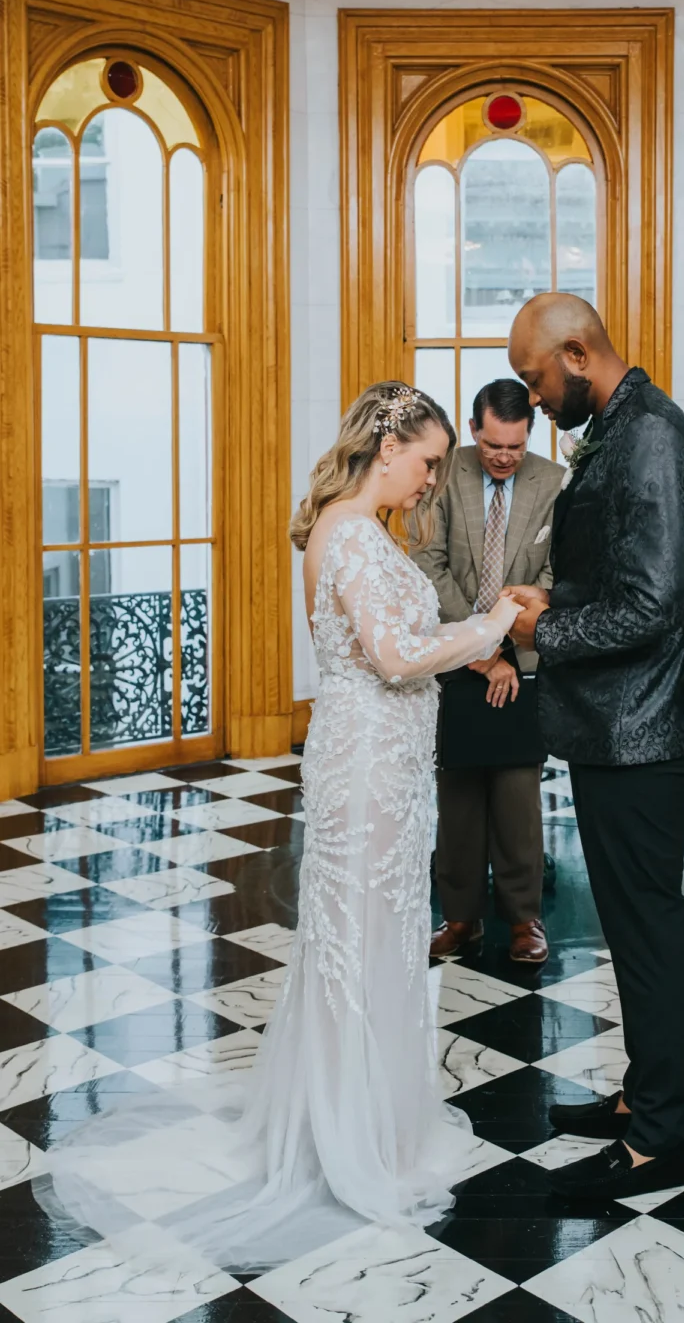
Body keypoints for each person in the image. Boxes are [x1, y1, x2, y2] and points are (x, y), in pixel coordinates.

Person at [35, 383, 522, 1272]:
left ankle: (365, 1117)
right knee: (361, 934)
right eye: (424, 463)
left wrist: (473, 636)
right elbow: (393, 656)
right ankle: (345, 1139)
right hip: (368, 763)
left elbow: (404, 644)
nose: (429, 481)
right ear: (389, 449)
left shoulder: (362, 533)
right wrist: (491, 622)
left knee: (377, 934)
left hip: (389, 760)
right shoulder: (348, 534)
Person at [505, 293, 684, 1203]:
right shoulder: (619, 428)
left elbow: (650, 606)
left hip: (643, 731)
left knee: (647, 931)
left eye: (536, 377)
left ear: (579, 353)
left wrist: (544, 627)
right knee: (636, 928)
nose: (534, 397)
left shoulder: (653, 438)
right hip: (614, 728)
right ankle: (644, 1098)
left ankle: (662, 1142)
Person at [413, 379, 564, 965]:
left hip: (523, 664)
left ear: (529, 434)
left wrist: (507, 647)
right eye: (495, 445)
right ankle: (459, 918)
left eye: (516, 447)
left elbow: (556, 574)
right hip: (455, 659)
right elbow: (428, 563)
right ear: (475, 432)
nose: (505, 457)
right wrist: (477, 650)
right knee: (458, 797)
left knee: (518, 795)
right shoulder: (444, 473)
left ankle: (525, 919)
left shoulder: (552, 482)